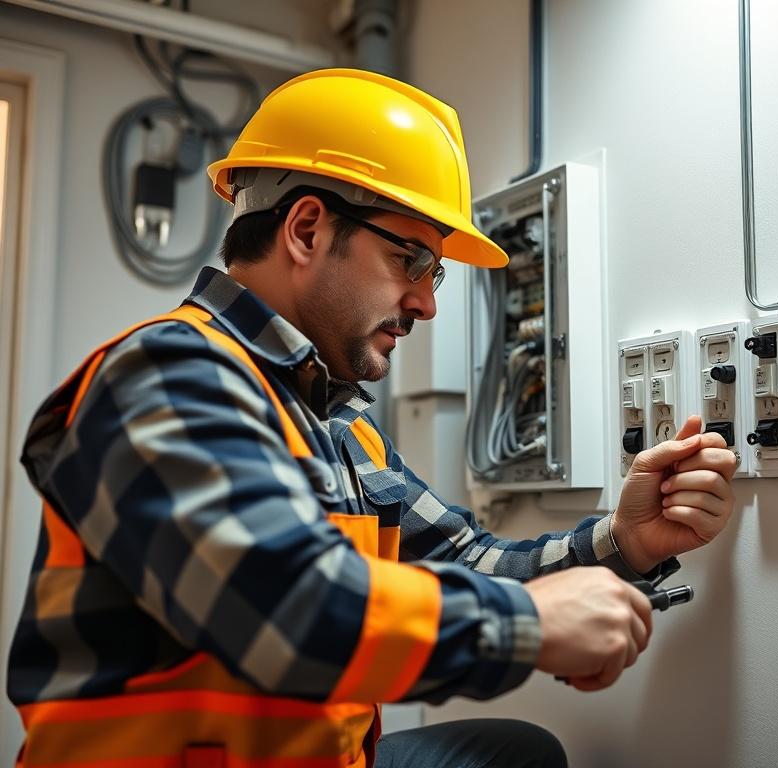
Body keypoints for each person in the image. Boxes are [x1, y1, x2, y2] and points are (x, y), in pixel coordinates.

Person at [7, 68, 736, 768]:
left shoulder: (335, 419)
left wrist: (625, 541)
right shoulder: (170, 374)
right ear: (306, 230)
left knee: (513, 753)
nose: (427, 303)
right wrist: (533, 626)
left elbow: (464, 563)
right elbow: (284, 607)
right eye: (410, 260)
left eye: (434, 271)